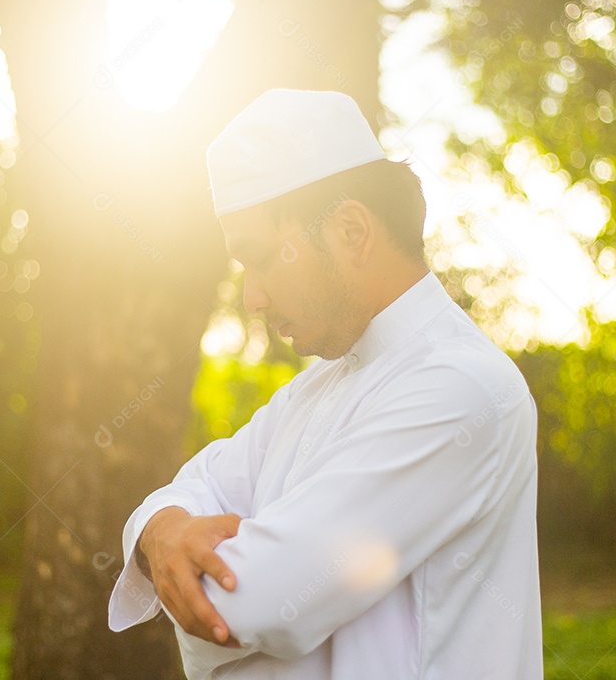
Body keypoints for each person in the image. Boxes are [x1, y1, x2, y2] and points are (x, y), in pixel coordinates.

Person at [107, 88, 543, 679]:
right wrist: (164, 532)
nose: (251, 299)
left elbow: (249, 604)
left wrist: (185, 565)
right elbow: (191, 488)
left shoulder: (464, 388)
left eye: (260, 259)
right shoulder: (312, 390)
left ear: (352, 231)